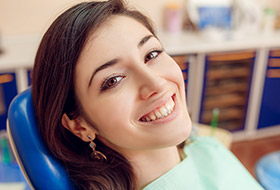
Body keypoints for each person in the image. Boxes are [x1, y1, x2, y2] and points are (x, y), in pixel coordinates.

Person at [31, 0, 264, 189]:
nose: (156, 83)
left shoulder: (203, 147)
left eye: (151, 54)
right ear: (79, 126)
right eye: (113, 80)